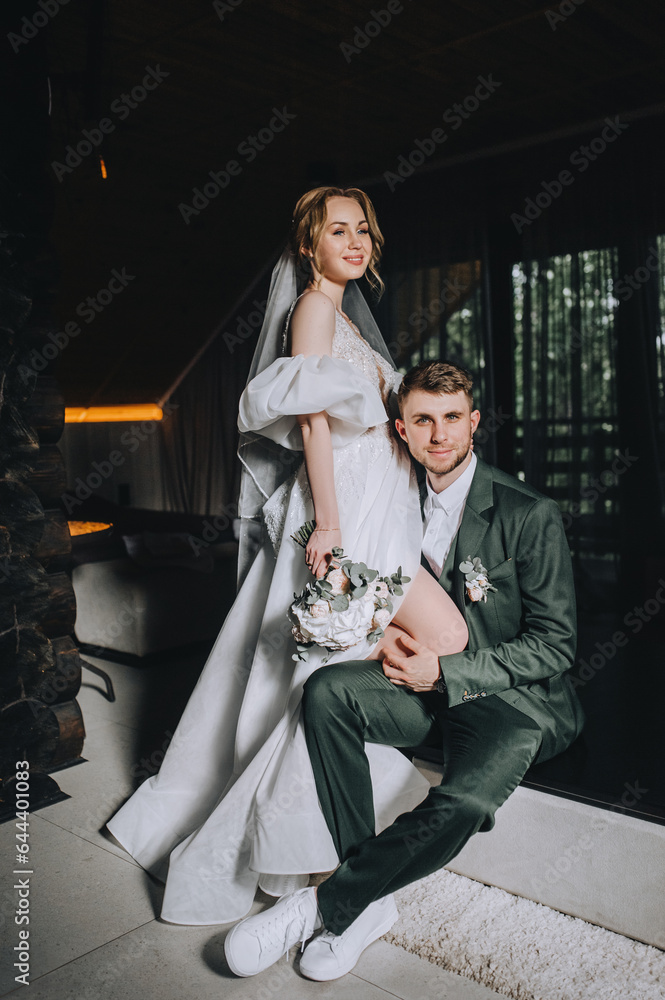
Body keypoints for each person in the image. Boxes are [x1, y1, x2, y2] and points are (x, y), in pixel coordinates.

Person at [106, 188, 467, 924]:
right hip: (346, 510)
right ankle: (304, 839)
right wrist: (329, 525)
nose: (356, 241)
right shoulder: (311, 308)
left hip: (376, 504)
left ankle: (329, 806)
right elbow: (311, 426)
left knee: (405, 644)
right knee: (368, 653)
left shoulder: (343, 320)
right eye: (339, 230)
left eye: (362, 229)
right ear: (309, 245)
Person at [224, 359, 585, 981]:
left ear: (474, 423)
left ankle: (331, 905)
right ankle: (367, 902)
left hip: (511, 702)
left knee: (468, 799)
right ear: (401, 430)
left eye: (451, 419)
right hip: (422, 691)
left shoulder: (530, 513)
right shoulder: (393, 501)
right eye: (423, 420)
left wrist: (445, 672)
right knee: (327, 692)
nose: (438, 434)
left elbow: (555, 645)